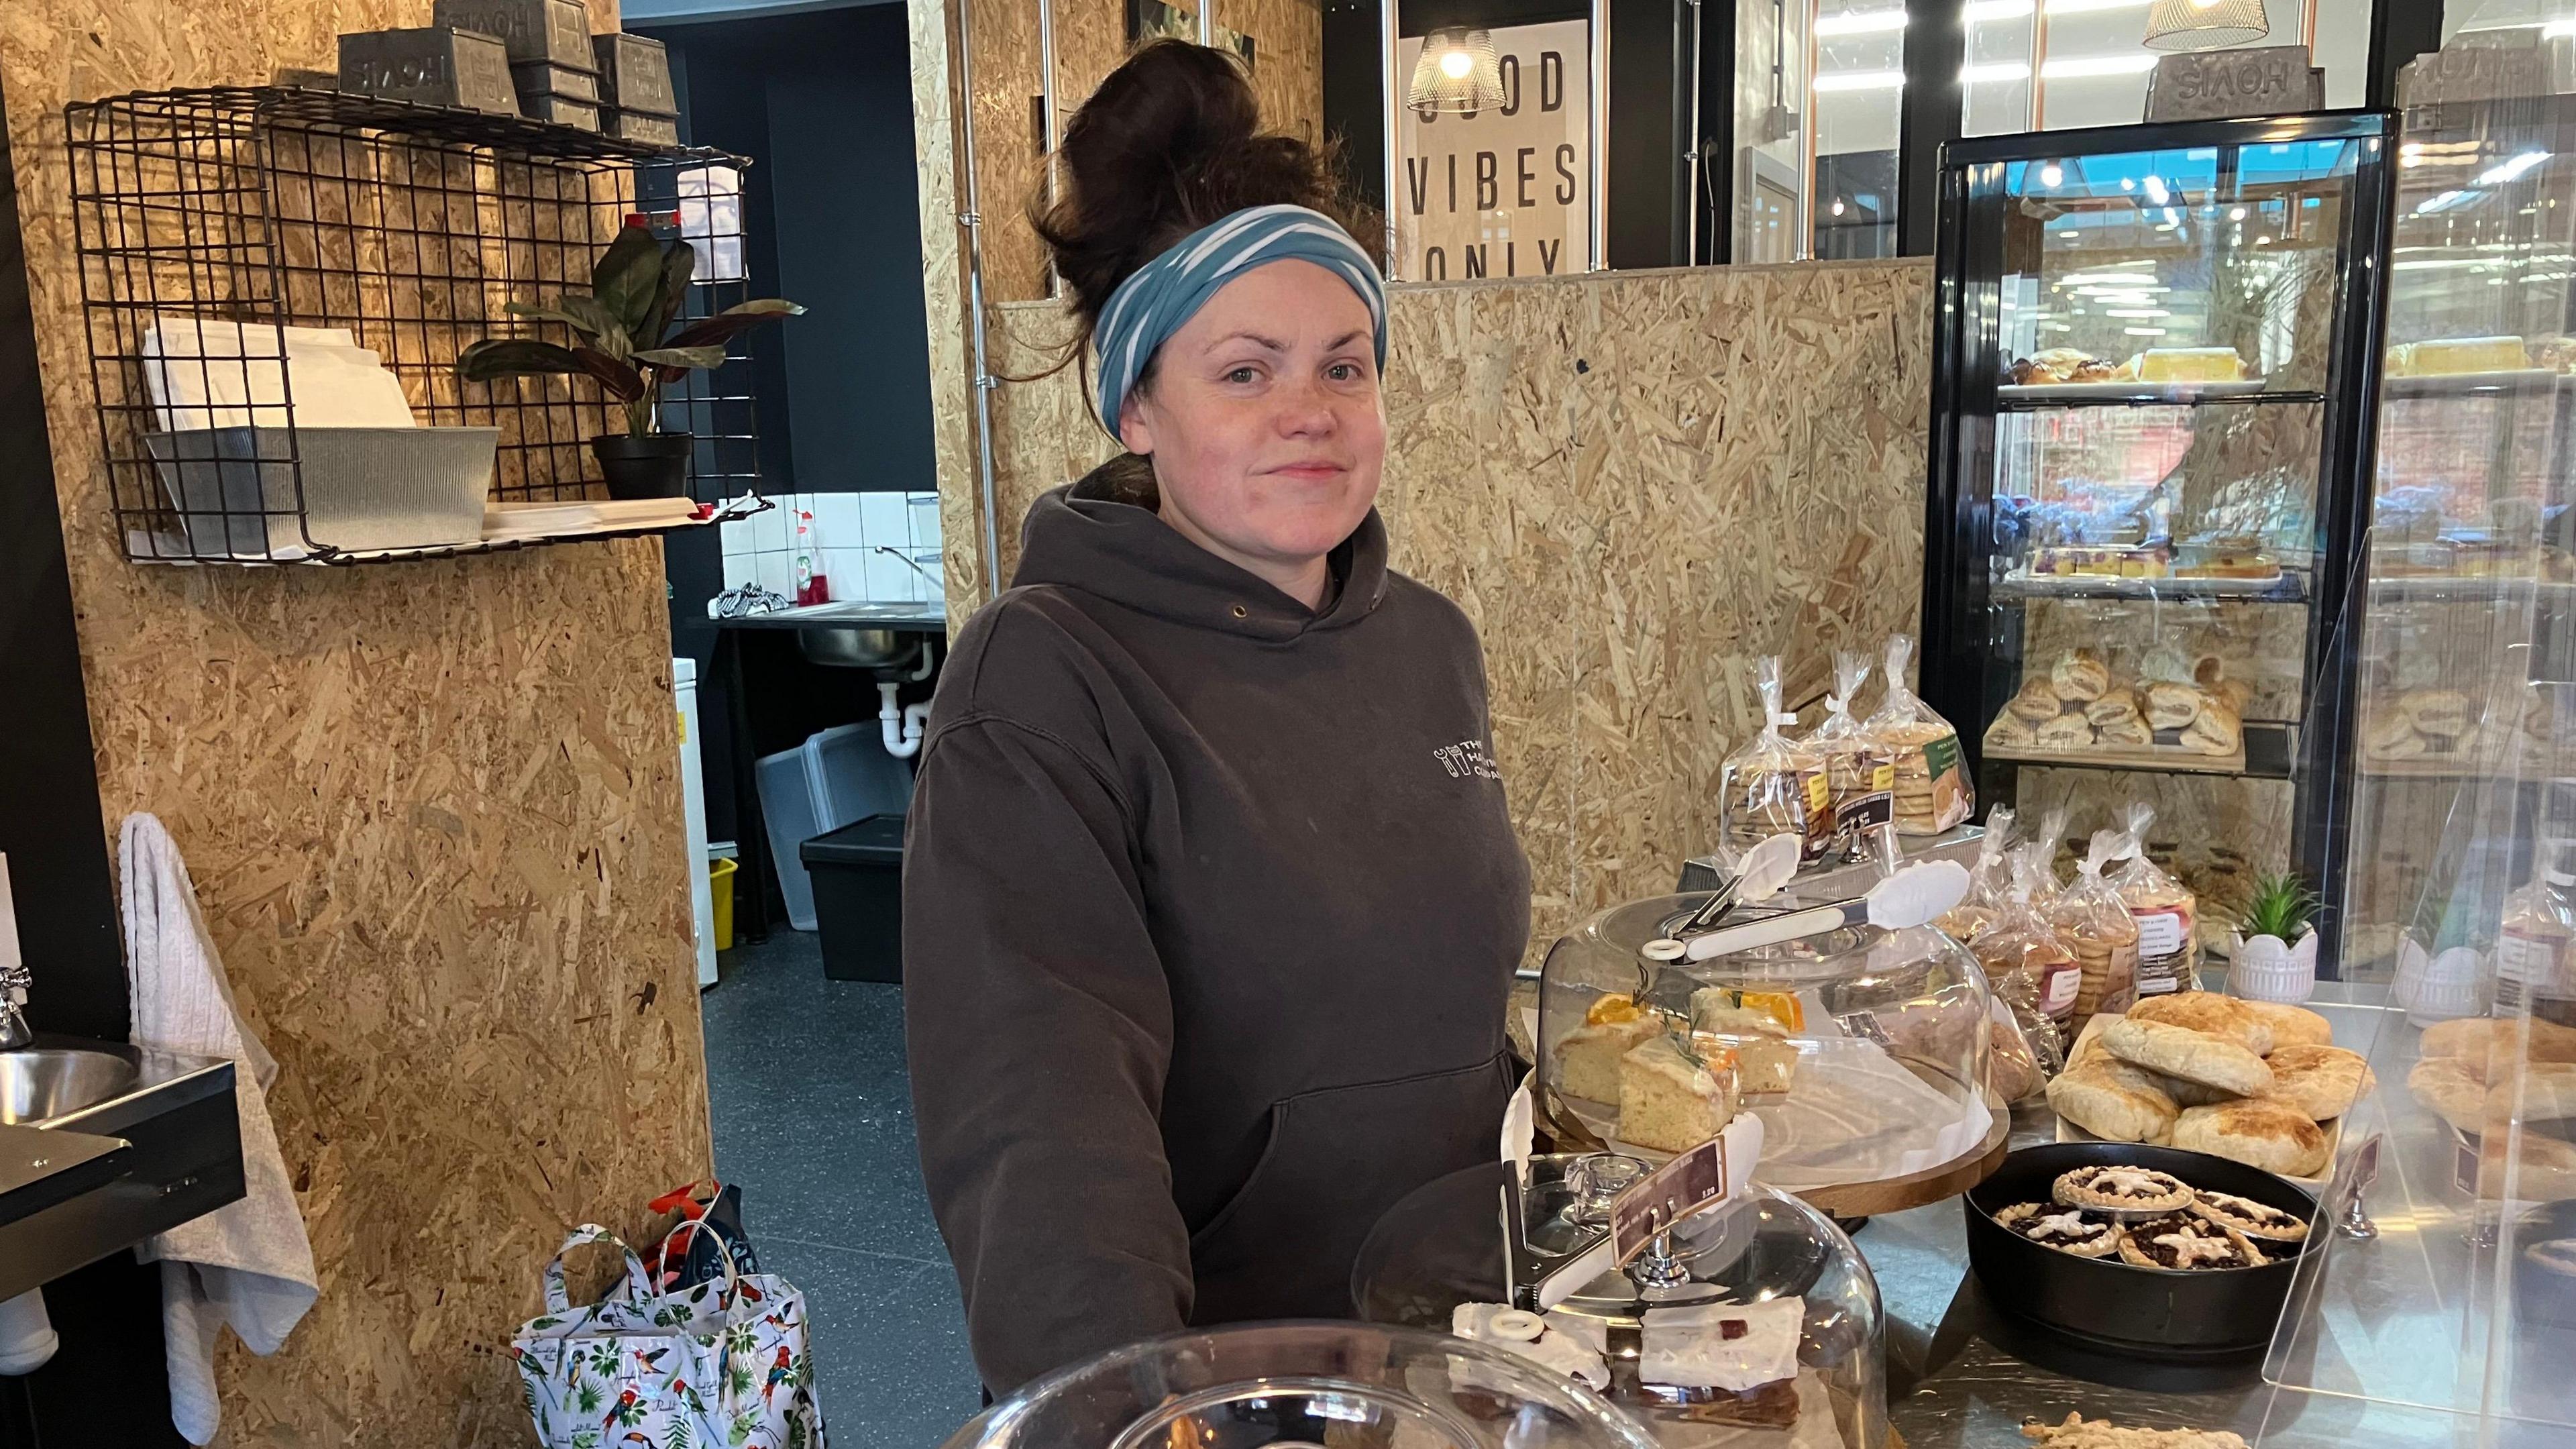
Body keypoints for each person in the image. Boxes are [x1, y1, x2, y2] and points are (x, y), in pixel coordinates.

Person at [902, 40, 1530, 1395]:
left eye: (1345, 367)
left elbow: (1455, 1023)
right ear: (1137, 406)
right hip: (1238, 1397)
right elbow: (1045, 1142)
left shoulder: (1428, 641)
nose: (1310, 413)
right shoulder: (1044, 683)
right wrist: (1138, 1424)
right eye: (1245, 373)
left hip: (1466, 1365)